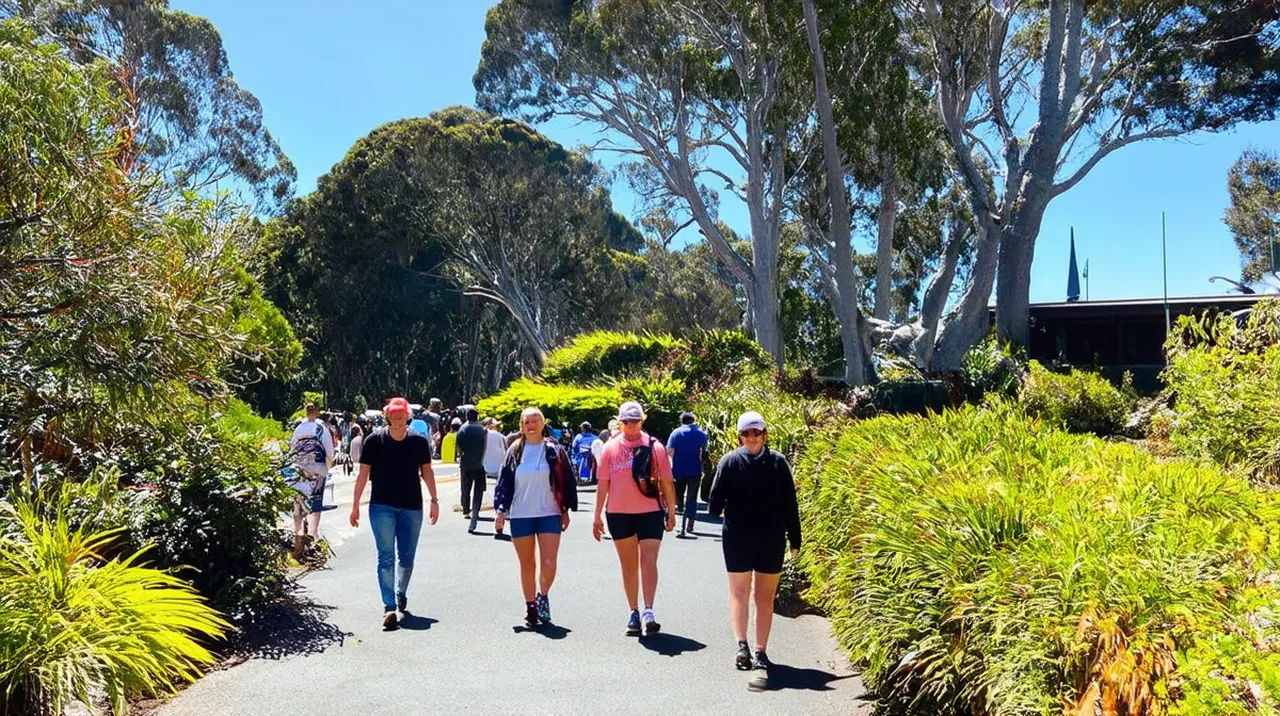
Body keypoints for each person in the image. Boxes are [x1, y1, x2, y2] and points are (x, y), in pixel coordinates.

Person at [707, 411, 802, 692]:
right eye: (746, 433)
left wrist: (795, 540)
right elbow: (714, 505)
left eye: (756, 432)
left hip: (771, 539)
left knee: (764, 597)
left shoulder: (779, 463)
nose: (752, 438)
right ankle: (742, 645)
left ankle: (760, 650)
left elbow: (790, 505)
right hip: (737, 537)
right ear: (739, 436)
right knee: (738, 592)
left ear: (765, 434)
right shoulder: (729, 462)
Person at [349, 397, 440, 630]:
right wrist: (355, 504)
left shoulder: (418, 442)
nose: (398, 420)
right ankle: (388, 606)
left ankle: (400, 592)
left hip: (412, 506)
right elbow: (363, 474)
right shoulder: (374, 441)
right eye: (394, 415)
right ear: (387, 416)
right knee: (386, 556)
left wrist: (434, 500)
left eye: (402, 415)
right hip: (382, 506)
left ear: (408, 416)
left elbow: (427, 472)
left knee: (407, 557)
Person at [592, 401, 676, 637]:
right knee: (628, 564)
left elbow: (667, 482)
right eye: (626, 421)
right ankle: (633, 611)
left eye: (635, 421)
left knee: (648, 560)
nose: (631, 425)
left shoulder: (654, 446)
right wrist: (597, 514)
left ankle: (649, 610)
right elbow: (603, 483)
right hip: (619, 513)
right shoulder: (610, 447)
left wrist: (671, 510)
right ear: (620, 421)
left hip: (650, 511)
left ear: (642, 420)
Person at [493, 408, 578, 627]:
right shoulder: (515, 450)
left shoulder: (553, 449)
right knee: (527, 563)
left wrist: (566, 508)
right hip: (521, 514)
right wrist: (501, 510)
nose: (531, 425)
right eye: (526, 421)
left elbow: (566, 478)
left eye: (535, 421)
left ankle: (543, 595)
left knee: (548, 561)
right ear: (521, 426)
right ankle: (530, 605)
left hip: (549, 512)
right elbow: (504, 481)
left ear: (542, 424)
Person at [288, 403, 333, 556]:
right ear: (317, 413)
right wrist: (327, 467)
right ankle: (313, 536)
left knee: (298, 501)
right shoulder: (321, 428)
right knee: (316, 501)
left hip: (299, 468)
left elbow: (292, 449)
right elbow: (329, 452)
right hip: (317, 468)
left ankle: (297, 533)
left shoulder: (299, 428)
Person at [667, 411, 710, 538]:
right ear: (693, 420)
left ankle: (680, 514)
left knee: (679, 495)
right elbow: (705, 449)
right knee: (692, 497)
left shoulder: (676, 433)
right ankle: (690, 523)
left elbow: (670, 450)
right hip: (695, 470)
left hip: (679, 470)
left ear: (682, 421)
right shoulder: (700, 433)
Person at [455, 407, 488, 533]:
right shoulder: (483, 430)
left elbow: (458, 448)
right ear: (477, 417)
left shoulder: (462, 429)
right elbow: (484, 447)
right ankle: (476, 512)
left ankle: (466, 510)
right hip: (478, 464)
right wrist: (480, 459)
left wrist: (460, 456)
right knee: (478, 490)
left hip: (465, 463)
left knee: (465, 488)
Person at [483, 418, 509, 540]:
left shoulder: (485, 434)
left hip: (486, 461)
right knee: (500, 484)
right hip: (499, 461)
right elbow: (504, 450)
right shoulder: (499, 436)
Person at [589, 419, 618, 485]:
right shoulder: (606, 433)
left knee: (597, 463)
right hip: (599, 446)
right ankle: (599, 478)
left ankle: (597, 478)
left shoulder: (606, 432)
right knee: (599, 463)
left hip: (599, 446)